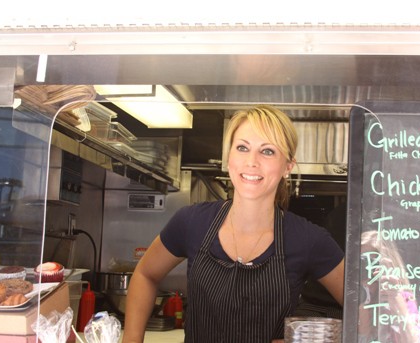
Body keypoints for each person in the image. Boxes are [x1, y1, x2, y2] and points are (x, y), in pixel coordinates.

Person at [122, 105, 345, 343]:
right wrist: (131, 340)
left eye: (267, 151)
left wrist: (306, 341)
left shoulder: (308, 239)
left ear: (288, 166)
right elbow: (145, 274)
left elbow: (369, 312)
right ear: (229, 159)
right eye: (242, 148)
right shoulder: (191, 222)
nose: (252, 161)